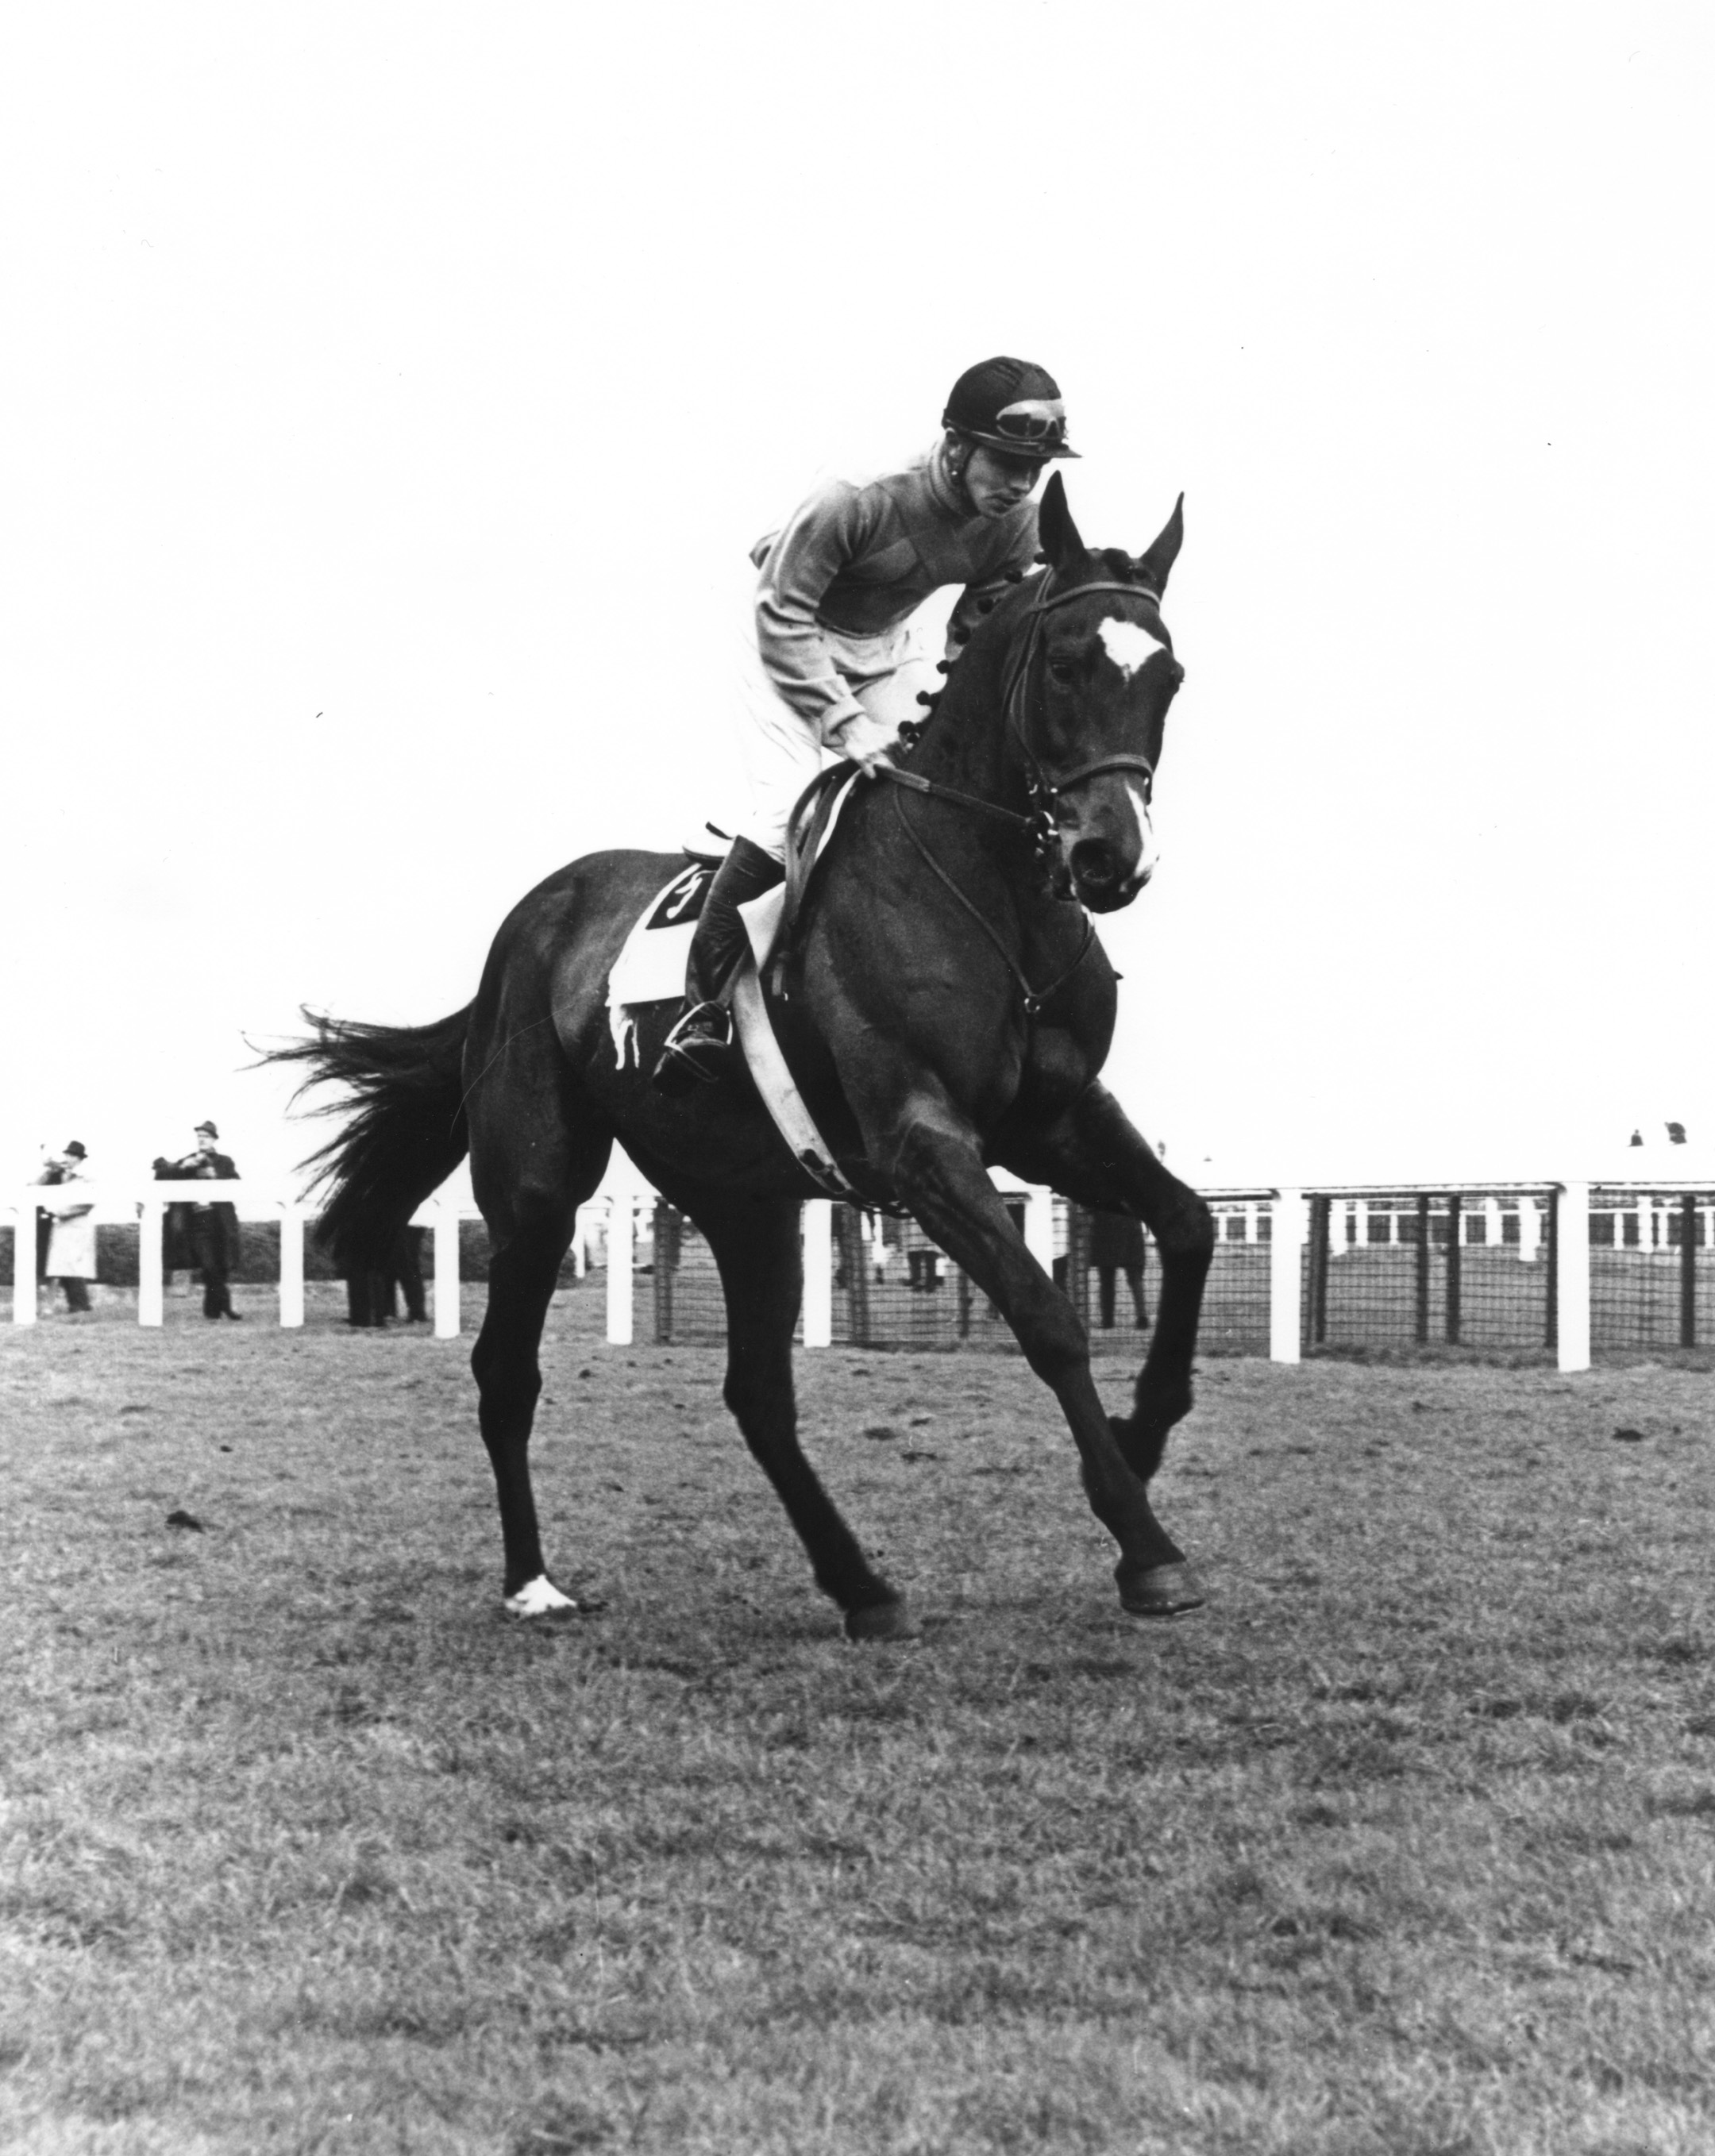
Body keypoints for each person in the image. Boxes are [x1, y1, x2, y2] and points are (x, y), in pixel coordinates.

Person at [653, 356, 1080, 1092]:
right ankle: (702, 1008)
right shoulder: (859, 493)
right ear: (955, 446)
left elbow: (982, 615)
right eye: (1007, 462)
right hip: (784, 631)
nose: (1019, 485)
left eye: (1034, 469)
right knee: (793, 802)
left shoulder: (1016, 523)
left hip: (884, 643)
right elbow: (779, 612)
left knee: (936, 779)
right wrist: (844, 725)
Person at [153, 1122, 244, 1319]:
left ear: (214, 1139)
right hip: (197, 1223)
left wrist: (216, 1176)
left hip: (220, 1222)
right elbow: (161, 1175)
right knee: (208, 1266)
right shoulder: (189, 1160)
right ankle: (225, 1308)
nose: (202, 1139)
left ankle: (212, 1312)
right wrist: (182, 1167)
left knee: (220, 1267)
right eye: (199, 1136)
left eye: (206, 1136)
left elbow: (237, 1185)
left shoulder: (225, 1162)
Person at [37, 1142, 96, 1315]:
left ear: (79, 1159)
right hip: (62, 1227)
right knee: (62, 1267)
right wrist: (49, 1171)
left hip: (77, 1226)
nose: (67, 1159)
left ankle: (80, 1305)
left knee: (74, 1267)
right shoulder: (61, 1175)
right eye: (67, 1155)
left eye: (71, 1156)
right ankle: (78, 1305)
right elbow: (35, 1188)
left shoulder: (87, 1177)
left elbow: (87, 1203)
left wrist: (60, 1211)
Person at [1088, 1206, 1149, 1330]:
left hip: (1106, 1225)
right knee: (1135, 1276)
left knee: (1106, 1278)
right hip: (1130, 1223)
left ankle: (1107, 1320)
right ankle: (1142, 1318)